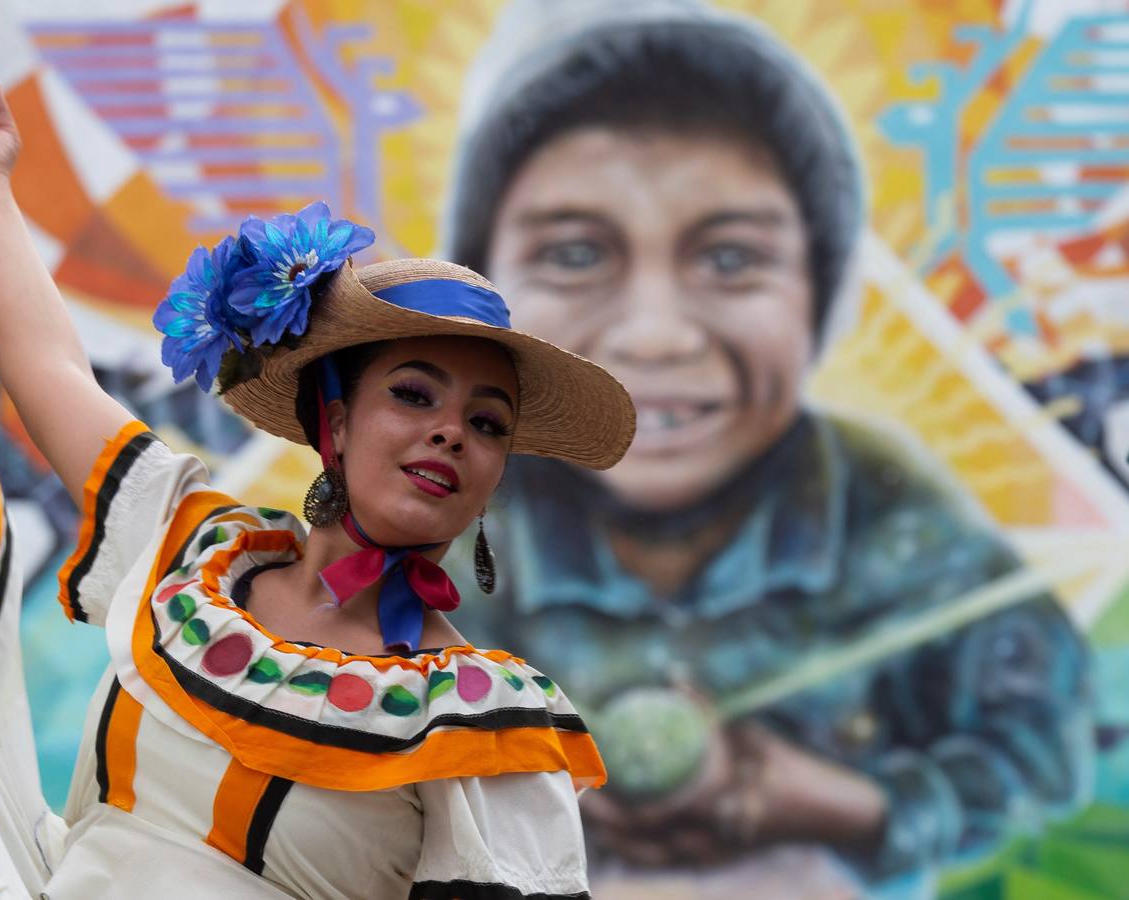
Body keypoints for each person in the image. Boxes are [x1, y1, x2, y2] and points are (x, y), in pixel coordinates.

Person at [0, 57, 630, 898]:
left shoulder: (489, 723)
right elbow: (51, 372)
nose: (450, 432)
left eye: (487, 422)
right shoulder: (186, 548)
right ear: (338, 419)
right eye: (415, 393)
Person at [442, 0, 1093, 890]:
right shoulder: (451, 512)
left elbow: (1044, 746)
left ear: (818, 292)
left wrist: (842, 804)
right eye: (574, 254)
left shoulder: (885, 508)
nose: (657, 336)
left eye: (731, 259)